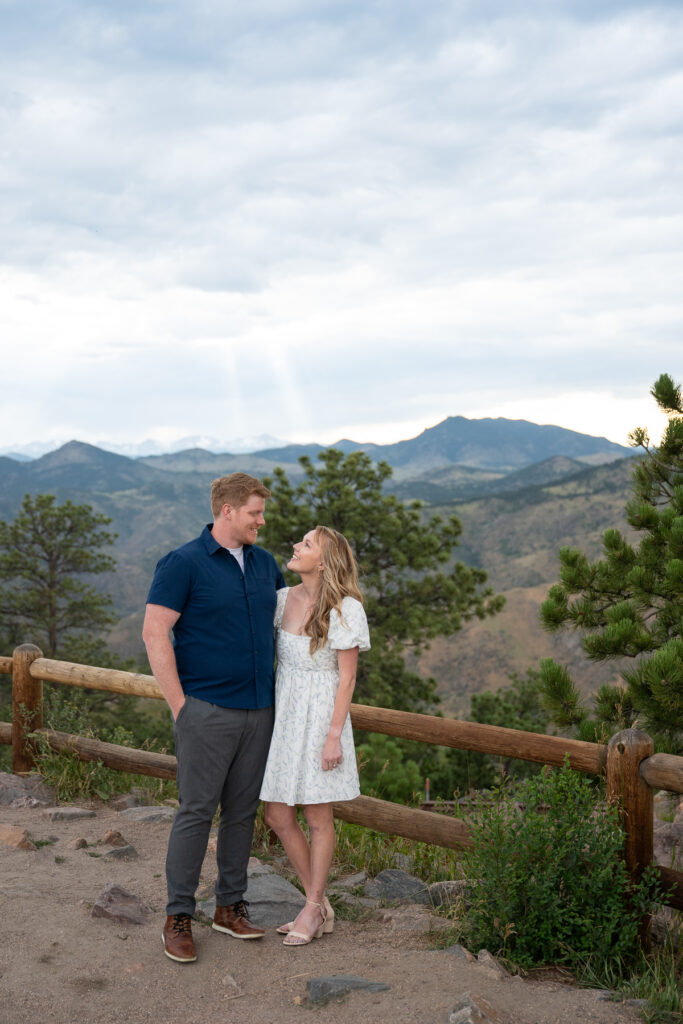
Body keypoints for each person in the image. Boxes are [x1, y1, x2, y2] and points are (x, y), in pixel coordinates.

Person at [142, 472, 285, 963]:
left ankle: (229, 907)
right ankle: (178, 916)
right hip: (205, 711)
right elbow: (154, 633)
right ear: (227, 510)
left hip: (259, 711)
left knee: (242, 813)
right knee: (196, 812)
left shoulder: (266, 564)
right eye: (254, 513)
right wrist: (180, 707)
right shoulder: (183, 563)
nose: (261, 522)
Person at [260, 525, 370, 946]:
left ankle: (311, 907)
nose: (295, 546)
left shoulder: (345, 609)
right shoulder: (281, 599)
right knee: (277, 815)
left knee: (317, 816)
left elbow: (348, 678)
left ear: (324, 562)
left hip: (323, 718)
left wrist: (333, 737)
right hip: (285, 716)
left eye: (306, 544)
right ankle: (319, 904)